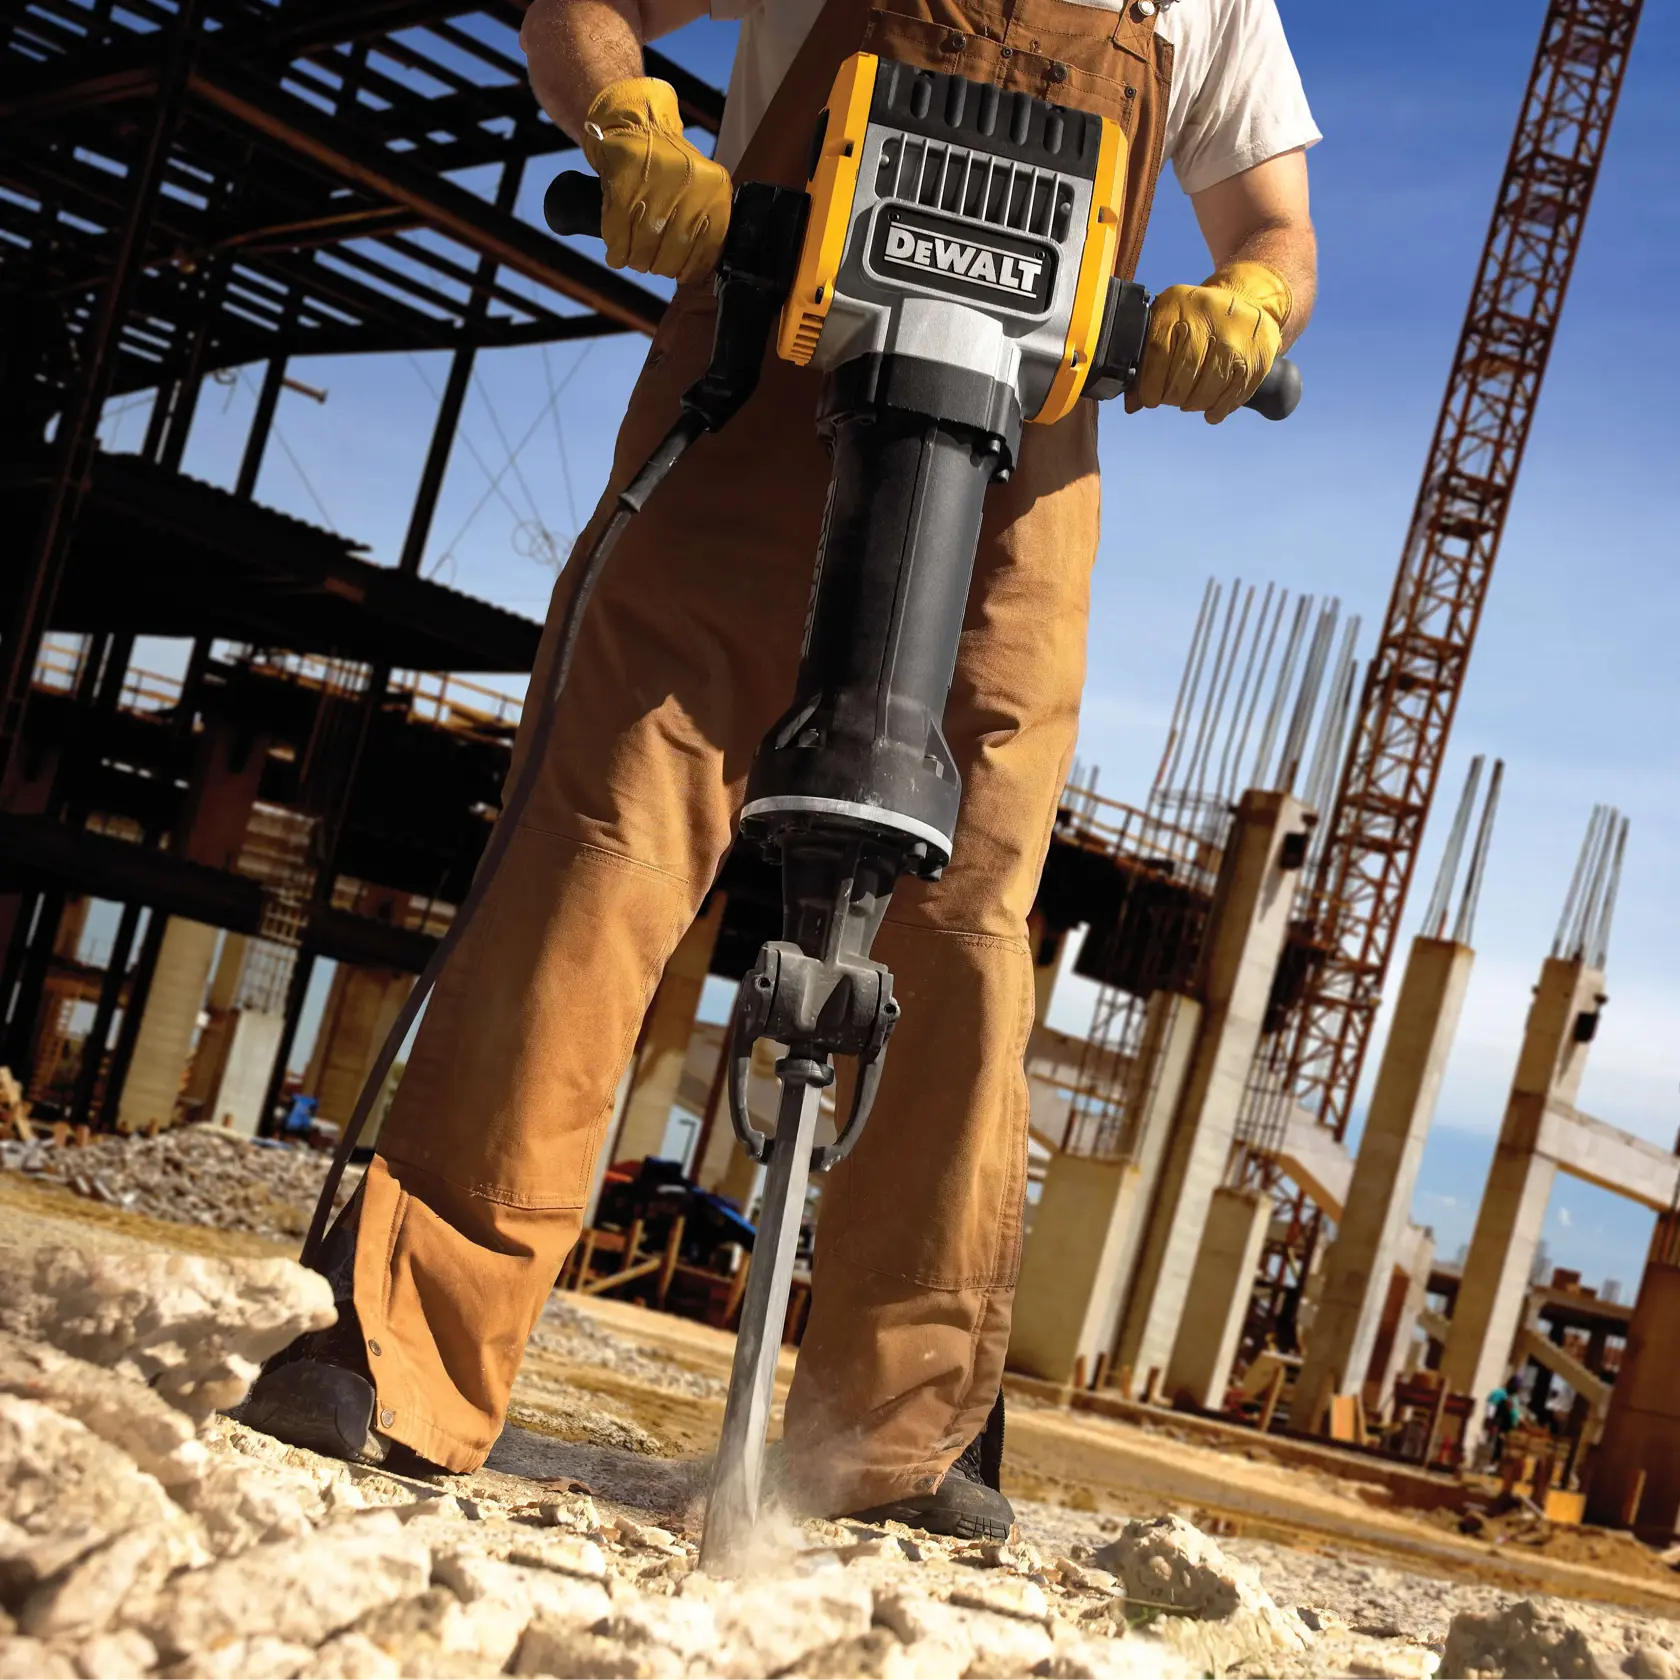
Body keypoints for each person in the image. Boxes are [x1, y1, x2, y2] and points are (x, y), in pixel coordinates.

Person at [245, 0, 1320, 1539]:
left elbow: (1276, 221)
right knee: (609, 824)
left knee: (970, 904)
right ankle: (405, 1342)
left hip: (1022, 445)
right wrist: (630, 123)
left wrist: (1249, 306)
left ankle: (903, 1438)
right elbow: (584, 13)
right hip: (759, 369)